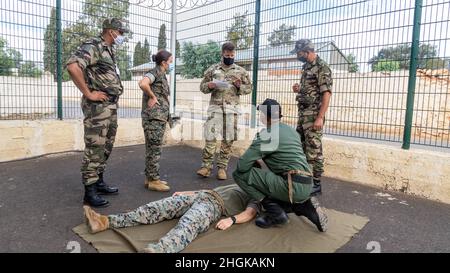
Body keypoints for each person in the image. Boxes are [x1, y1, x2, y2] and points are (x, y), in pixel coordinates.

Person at [233, 99, 328, 230]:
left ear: (266, 116)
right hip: (307, 183)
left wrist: (255, 161)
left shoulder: (268, 135)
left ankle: (276, 213)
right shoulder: (291, 131)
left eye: (260, 113)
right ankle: (302, 205)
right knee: (271, 174)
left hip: (291, 185)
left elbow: (242, 166)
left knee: (238, 174)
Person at [83, 184, 259, 253]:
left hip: (214, 207)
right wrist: (186, 193)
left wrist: (231, 220)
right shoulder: (238, 182)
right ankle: (106, 222)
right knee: (155, 208)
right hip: (202, 196)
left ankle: (160, 250)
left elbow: (250, 213)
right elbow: (207, 190)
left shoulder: (257, 195)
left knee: (189, 224)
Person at [66, 18, 129, 208]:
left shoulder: (109, 49)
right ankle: (89, 191)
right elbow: (73, 66)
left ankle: (99, 181)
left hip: (110, 106)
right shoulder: (93, 45)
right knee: (95, 147)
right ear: (111, 31)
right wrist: (88, 93)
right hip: (97, 108)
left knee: (106, 145)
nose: (122, 36)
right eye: (121, 32)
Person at [196, 42, 252, 180]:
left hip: (232, 110)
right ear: (222, 53)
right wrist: (209, 85)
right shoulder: (213, 69)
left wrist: (240, 87)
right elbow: (202, 87)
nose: (230, 57)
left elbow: (249, 88)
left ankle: (222, 168)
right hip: (215, 109)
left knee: (228, 139)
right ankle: (206, 167)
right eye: (227, 55)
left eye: (232, 55)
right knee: (211, 138)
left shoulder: (241, 71)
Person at [291, 39, 333, 196]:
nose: (297, 55)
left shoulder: (322, 67)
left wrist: (320, 118)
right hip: (303, 115)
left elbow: (326, 94)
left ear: (306, 51)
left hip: (314, 115)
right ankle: (305, 181)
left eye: (298, 53)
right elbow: (310, 90)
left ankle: (316, 184)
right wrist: (299, 89)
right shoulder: (306, 67)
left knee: (314, 150)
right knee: (301, 148)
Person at [138, 50, 174, 192]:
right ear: (164, 62)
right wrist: (152, 97)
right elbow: (143, 83)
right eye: (170, 61)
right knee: (154, 150)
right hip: (154, 119)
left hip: (157, 118)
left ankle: (149, 178)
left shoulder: (161, 74)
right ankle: (154, 180)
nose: (171, 64)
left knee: (151, 149)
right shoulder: (156, 72)